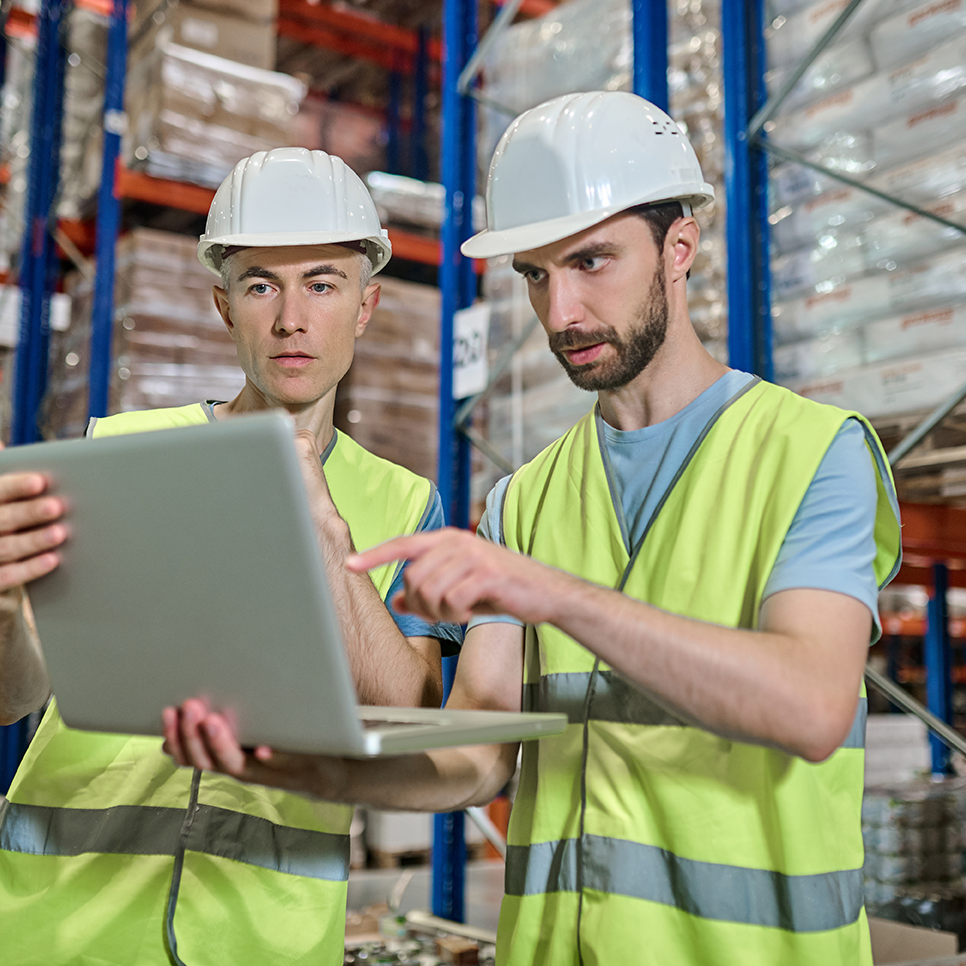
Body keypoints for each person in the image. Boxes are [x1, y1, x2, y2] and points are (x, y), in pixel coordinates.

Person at [163, 93, 902, 965]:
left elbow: (811, 705)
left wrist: (547, 592)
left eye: (592, 262)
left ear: (680, 247)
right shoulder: (527, 500)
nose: (562, 313)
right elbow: (478, 755)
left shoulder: (813, 454)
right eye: (538, 275)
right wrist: (310, 772)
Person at [0, 147, 461, 965]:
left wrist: (326, 537)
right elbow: (14, 696)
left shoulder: (403, 505)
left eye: (322, 284)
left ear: (367, 305)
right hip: (63, 925)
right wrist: (4, 612)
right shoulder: (121, 453)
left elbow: (419, 732)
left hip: (265, 937)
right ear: (222, 305)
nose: (292, 318)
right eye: (260, 285)